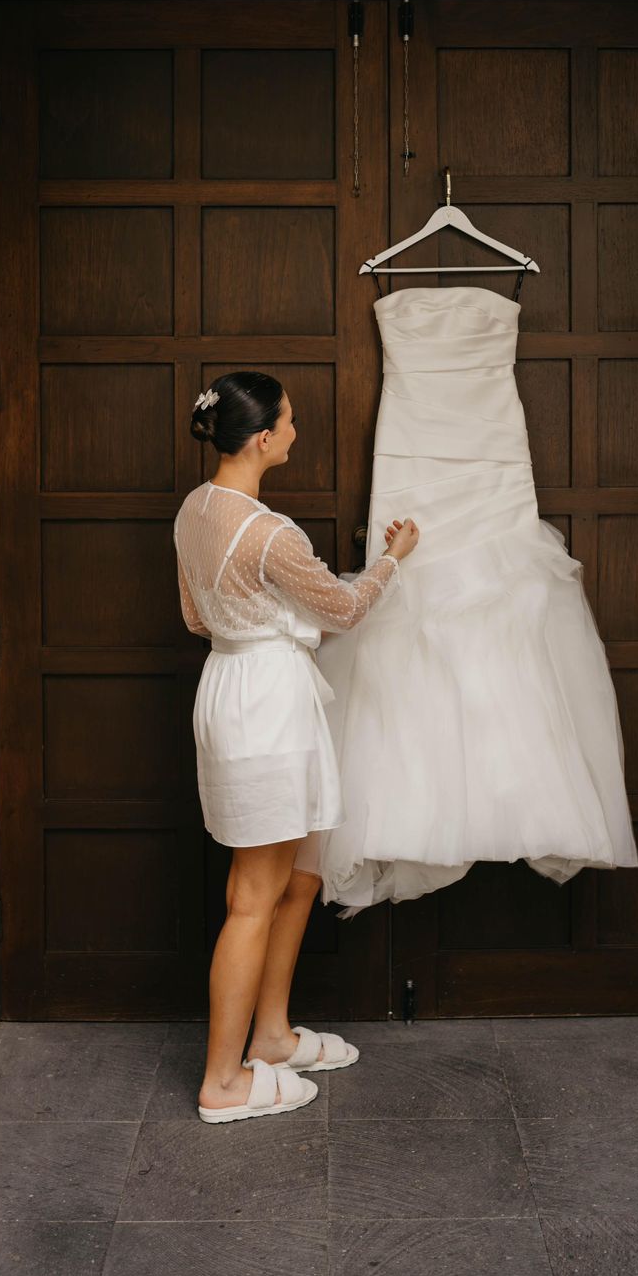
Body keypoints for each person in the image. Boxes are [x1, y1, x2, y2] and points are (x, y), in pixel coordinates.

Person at [173, 370, 419, 1123]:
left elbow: (194, 617)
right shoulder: (269, 532)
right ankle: (223, 1081)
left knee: (303, 872)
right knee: (253, 895)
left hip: (235, 687)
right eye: (289, 421)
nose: (296, 430)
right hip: (266, 707)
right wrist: (394, 558)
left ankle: (272, 1037)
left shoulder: (194, 510)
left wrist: (256, 623)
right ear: (261, 439)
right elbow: (343, 609)